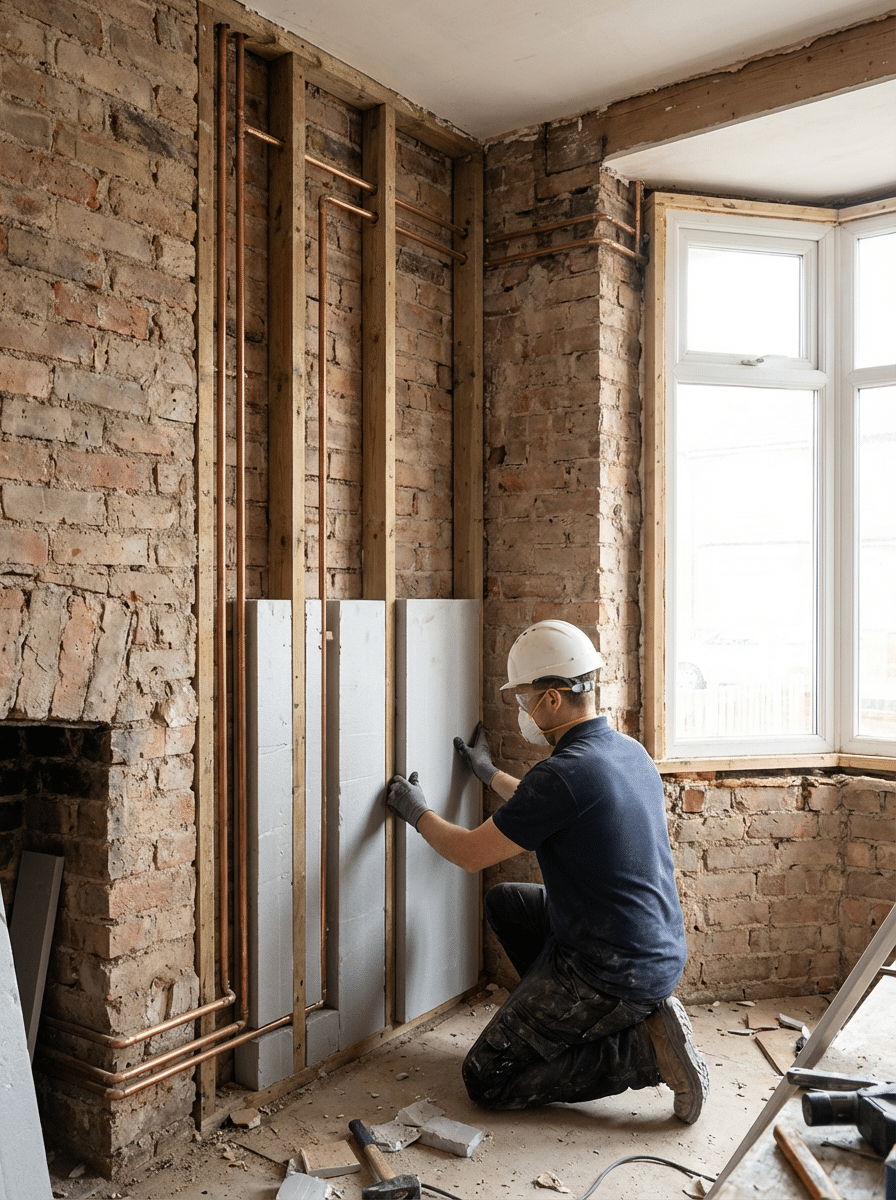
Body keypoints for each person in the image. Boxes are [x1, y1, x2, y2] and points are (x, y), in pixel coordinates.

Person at [386, 618, 709, 1120]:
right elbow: (551, 807)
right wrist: (490, 774)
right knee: (507, 903)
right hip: (648, 946)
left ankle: (642, 1052)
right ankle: (557, 1024)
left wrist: (418, 812)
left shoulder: (563, 773)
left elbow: (471, 853)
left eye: (522, 699)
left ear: (552, 699)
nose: (521, 711)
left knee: (487, 1077)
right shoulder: (626, 752)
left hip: (611, 969)